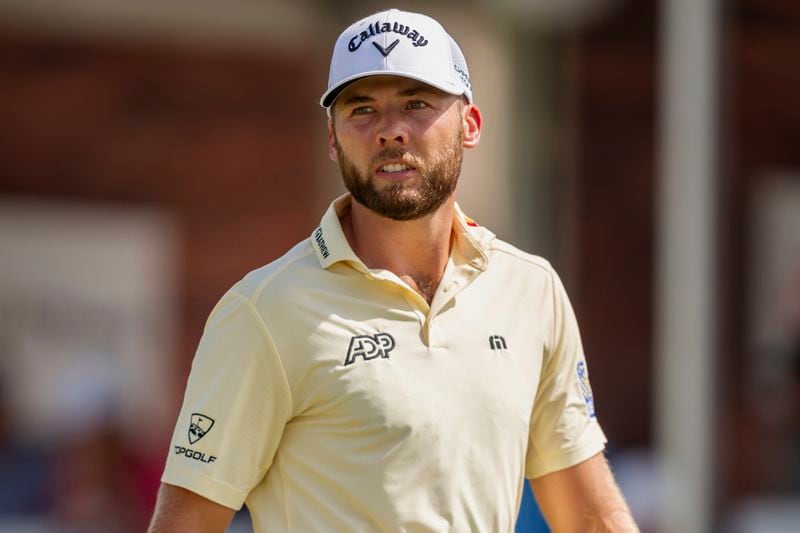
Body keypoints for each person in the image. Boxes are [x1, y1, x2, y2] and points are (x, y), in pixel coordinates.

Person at [148, 8, 638, 532]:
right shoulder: (263, 312)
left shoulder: (530, 290)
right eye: (362, 109)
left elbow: (589, 519)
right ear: (333, 139)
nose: (390, 131)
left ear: (470, 125)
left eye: (416, 103)